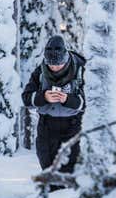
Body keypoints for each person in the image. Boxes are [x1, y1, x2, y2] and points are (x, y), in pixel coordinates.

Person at [21, 34, 86, 173]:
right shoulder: (40, 72)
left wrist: (67, 100)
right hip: (47, 125)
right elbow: (26, 98)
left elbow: (89, 101)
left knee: (69, 169)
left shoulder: (80, 70)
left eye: (59, 65)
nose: (55, 68)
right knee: (47, 166)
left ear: (66, 58)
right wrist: (43, 97)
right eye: (51, 65)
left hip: (73, 125)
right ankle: (51, 193)